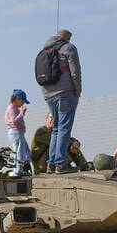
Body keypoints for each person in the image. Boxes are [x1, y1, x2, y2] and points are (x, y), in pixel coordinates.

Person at [37, 30, 82, 174]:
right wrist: (77, 91)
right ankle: (61, 164)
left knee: (56, 129)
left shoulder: (45, 50)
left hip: (48, 95)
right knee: (64, 128)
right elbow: (75, 71)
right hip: (65, 94)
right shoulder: (69, 47)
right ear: (68, 38)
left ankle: (52, 164)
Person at [6, 89, 30, 176]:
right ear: (17, 99)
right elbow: (14, 122)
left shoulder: (14, 108)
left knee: (26, 151)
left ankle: (24, 168)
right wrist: (22, 112)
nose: (23, 103)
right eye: (22, 101)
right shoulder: (12, 108)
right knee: (19, 152)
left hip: (18, 133)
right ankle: (18, 171)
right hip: (16, 132)